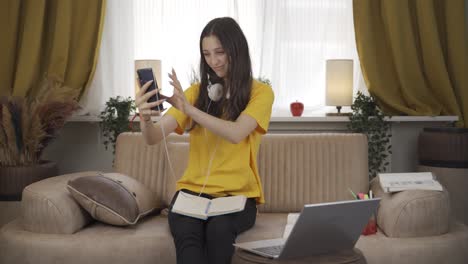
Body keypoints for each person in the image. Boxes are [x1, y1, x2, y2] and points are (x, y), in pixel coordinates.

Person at [135, 17, 274, 264]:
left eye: (220, 52)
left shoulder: (260, 93)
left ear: (236, 50)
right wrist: (145, 118)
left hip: (238, 196)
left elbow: (236, 134)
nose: (214, 61)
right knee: (188, 238)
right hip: (192, 193)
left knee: (219, 232)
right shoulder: (194, 94)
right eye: (207, 54)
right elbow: (153, 138)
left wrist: (190, 111)